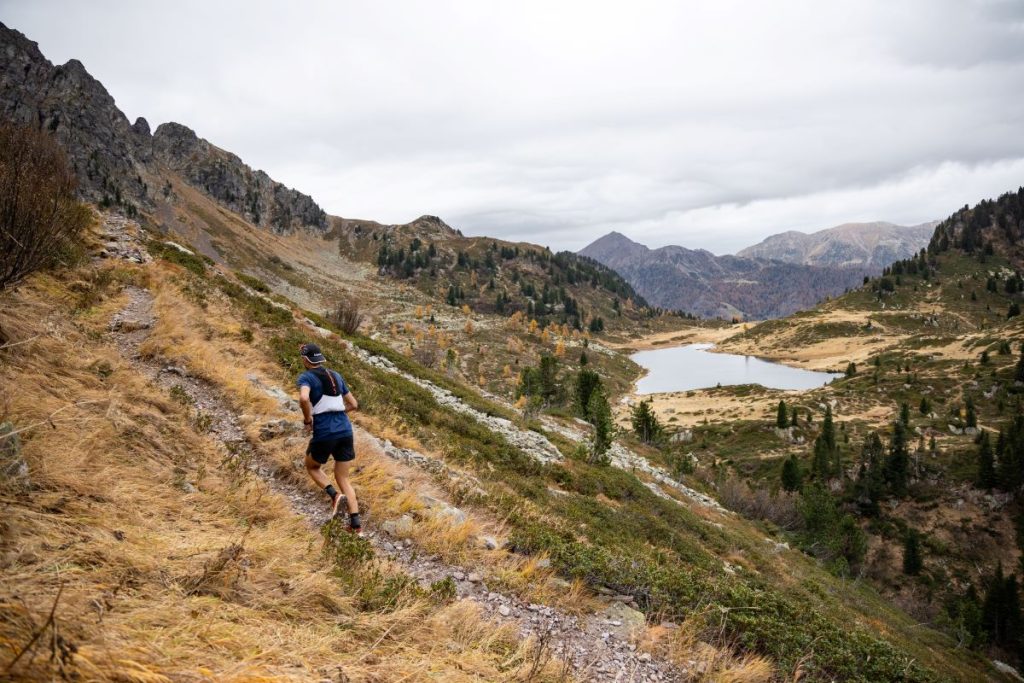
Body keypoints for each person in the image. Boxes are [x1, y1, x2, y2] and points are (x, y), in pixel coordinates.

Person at [296, 342, 362, 533]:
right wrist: (339, 413)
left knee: (312, 466)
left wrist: (308, 420)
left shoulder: (306, 377)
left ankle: (334, 496)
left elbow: (303, 398)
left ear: (305, 359)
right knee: (343, 478)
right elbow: (354, 404)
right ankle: (356, 525)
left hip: (325, 432)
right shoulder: (336, 375)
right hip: (345, 431)